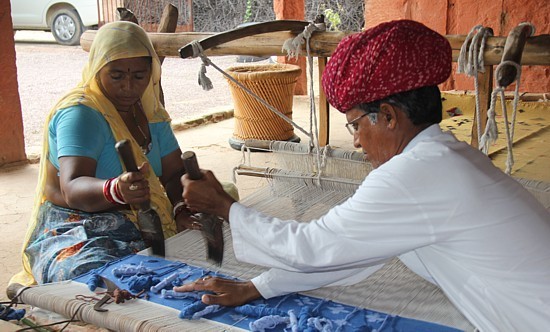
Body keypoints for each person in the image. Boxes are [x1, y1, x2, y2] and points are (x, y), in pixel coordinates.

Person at [176, 20, 550, 331]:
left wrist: (225, 207)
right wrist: (257, 287)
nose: (355, 141)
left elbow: (312, 247)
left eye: (354, 124)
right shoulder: (446, 157)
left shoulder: (416, 175)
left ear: (387, 116)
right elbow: (351, 252)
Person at [9, 21, 201, 286]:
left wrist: (180, 210)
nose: (128, 87)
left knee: (217, 221)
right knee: (95, 275)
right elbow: (72, 187)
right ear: (98, 69)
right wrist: (115, 190)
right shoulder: (80, 114)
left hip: (140, 218)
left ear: (151, 73)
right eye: (117, 75)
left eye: (138, 76)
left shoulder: (150, 113)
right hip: (78, 224)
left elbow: (174, 172)